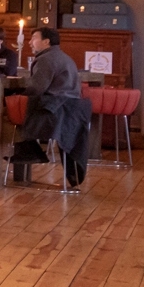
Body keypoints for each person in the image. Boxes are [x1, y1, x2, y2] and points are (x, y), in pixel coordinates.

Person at [9, 28, 90, 185]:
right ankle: (29, 150)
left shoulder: (46, 59)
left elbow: (36, 89)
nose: (30, 42)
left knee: (12, 109)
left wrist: (14, 94)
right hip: (72, 110)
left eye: (33, 38)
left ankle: (28, 151)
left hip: (54, 111)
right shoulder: (63, 57)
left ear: (46, 41)